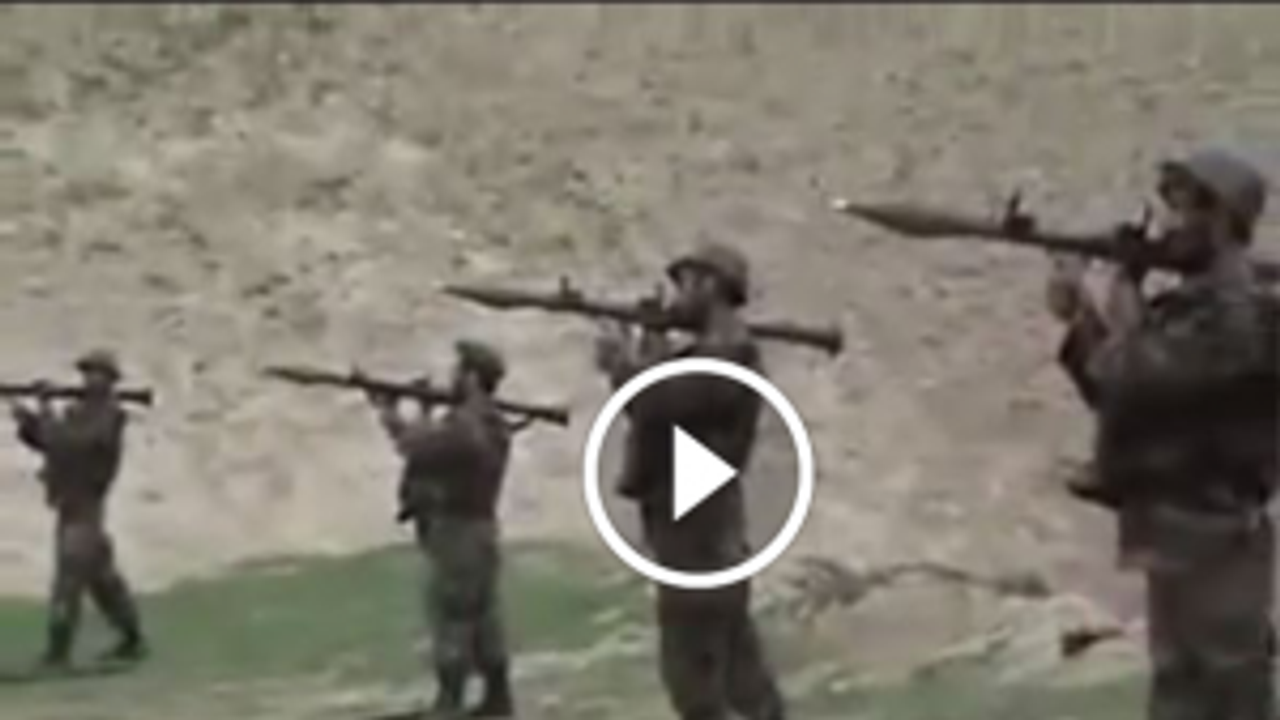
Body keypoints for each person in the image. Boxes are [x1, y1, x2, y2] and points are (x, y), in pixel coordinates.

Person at [1046, 148, 1278, 720]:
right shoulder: (1190, 308)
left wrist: (1123, 283)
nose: (1168, 222)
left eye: (1183, 207)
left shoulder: (1239, 316)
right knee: (1178, 694)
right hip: (1176, 535)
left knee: (1229, 691)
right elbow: (1121, 399)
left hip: (1217, 540)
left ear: (1219, 220)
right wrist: (1081, 314)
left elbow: (1135, 376)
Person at [594, 244, 787, 720]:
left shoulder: (728, 351)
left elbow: (658, 403)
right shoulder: (717, 349)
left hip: (698, 536)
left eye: (685, 284)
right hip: (701, 530)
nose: (677, 296)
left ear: (710, 285)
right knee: (742, 678)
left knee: (693, 683)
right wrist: (650, 343)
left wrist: (620, 364)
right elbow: (664, 409)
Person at [366, 340, 515, 718]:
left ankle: (449, 703)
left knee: (451, 618)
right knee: (484, 620)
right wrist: (425, 411)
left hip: (456, 534)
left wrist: (388, 412)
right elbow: (435, 448)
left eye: (459, 370)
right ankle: (498, 699)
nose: (453, 376)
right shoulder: (493, 423)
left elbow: (415, 447)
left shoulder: (465, 427)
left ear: (471, 377)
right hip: (481, 530)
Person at [8, 349, 148, 669]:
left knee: (68, 584)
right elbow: (50, 444)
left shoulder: (110, 416)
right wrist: (27, 420)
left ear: (110, 380)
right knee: (104, 583)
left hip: (86, 507)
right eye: (86, 373)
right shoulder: (79, 413)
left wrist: (45, 409)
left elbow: (73, 445)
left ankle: (57, 654)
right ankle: (132, 640)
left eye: (95, 374)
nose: (88, 380)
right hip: (70, 506)